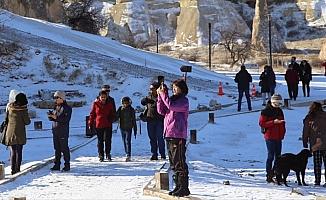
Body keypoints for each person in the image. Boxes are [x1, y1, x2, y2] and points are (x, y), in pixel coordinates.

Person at [157, 79, 190, 197]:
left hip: (178, 134)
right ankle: (178, 186)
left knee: (179, 162)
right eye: (173, 87)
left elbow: (171, 106)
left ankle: (184, 187)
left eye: (176, 87)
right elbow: (161, 111)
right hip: (169, 133)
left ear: (182, 88)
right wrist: (160, 97)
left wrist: (163, 95)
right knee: (173, 163)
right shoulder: (171, 100)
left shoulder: (183, 101)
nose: (174, 89)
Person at [259, 93, 286, 183]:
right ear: (273, 102)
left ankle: (277, 174)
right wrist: (273, 122)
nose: (278, 105)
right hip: (270, 136)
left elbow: (282, 123)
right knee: (270, 156)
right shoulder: (265, 111)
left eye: (279, 103)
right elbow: (262, 124)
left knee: (278, 157)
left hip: (279, 136)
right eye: (276, 103)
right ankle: (269, 174)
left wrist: (283, 133)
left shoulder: (280, 111)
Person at [4, 90, 31, 175]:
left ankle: (12, 170)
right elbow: (27, 122)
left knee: (13, 151)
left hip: (10, 133)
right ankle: (17, 169)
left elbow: (6, 119)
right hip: (19, 134)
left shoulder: (10, 107)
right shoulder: (23, 110)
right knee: (19, 152)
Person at [302, 102, 326, 186]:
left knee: (317, 164)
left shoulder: (309, 118)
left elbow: (305, 131)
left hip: (315, 144)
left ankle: (317, 181)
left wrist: (305, 141)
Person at [141, 82, 166, 160]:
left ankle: (162, 154)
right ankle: (154, 154)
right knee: (152, 139)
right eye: (150, 89)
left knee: (160, 138)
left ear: (157, 89)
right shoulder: (149, 97)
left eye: (152, 89)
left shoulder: (161, 97)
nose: (151, 90)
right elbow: (142, 102)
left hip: (159, 121)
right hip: (150, 120)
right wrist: (144, 100)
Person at [48, 91, 72, 171]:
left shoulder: (67, 108)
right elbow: (54, 118)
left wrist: (56, 118)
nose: (55, 100)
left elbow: (66, 120)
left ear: (62, 98)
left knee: (64, 148)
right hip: (55, 131)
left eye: (57, 98)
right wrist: (50, 116)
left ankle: (67, 165)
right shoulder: (55, 107)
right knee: (57, 149)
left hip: (63, 131)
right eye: (55, 98)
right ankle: (57, 164)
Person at [89, 90, 116, 161]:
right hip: (99, 124)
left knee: (108, 140)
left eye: (104, 97)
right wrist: (90, 123)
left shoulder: (109, 104)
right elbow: (92, 114)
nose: (103, 98)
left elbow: (113, 113)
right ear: (99, 97)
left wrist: (111, 119)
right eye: (102, 97)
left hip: (108, 124)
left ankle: (108, 153)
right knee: (100, 141)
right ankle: (101, 154)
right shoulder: (95, 104)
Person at [116, 96, 137, 162]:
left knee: (128, 141)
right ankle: (126, 153)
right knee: (124, 141)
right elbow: (116, 116)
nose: (125, 104)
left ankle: (128, 154)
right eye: (124, 103)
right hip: (122, 127)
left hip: (129, 127)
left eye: (127, 103)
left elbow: (134, 119)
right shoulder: (120, 109)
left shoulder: (131, 109)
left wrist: (135, 128)